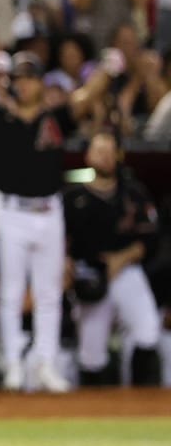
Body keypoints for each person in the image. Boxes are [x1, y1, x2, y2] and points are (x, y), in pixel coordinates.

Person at [0, 49, 110, 391]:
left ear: (41, 82)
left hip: (49, 210)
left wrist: (109, 67)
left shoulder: (55, 119)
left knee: (49, 293)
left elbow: (87, 97)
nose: (23, 84)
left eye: (29, 78)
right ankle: (12, 363)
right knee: (11, 292)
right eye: (18, 79)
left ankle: (45, 364)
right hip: (11, 212)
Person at [64, 132, 162, 387]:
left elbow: (151, 238)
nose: (105, 157)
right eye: (99, 151)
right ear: (88, 156)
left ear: (118, 156)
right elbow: (61, 243)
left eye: (109, 151)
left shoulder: (134, 193)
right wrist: (67, 264)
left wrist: (121, 258)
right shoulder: (72, 198)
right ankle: (95, 405)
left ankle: (142, 399)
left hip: (126, 271)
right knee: (91, 356)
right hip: (90, 275)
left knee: (148, 331)